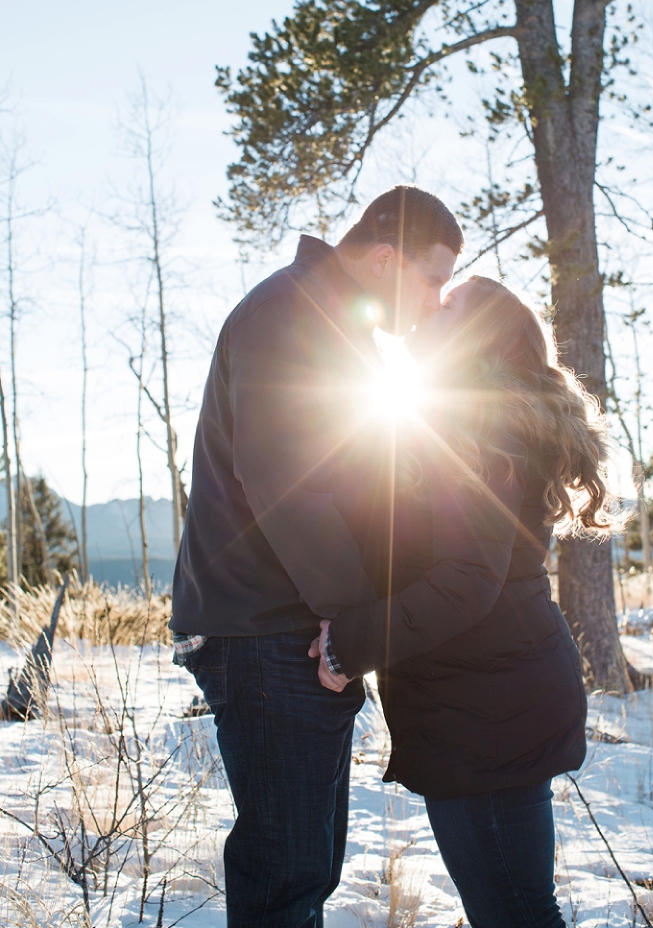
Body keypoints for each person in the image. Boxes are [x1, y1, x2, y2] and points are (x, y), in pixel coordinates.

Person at [171, 185, 462, 927]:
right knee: (287, 872)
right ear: (386, 257)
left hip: (293, 630)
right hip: (269, 633)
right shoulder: (290, 314)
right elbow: (283, 482)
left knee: (305, 866)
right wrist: (356, 618)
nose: (437, 299)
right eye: (431, 278)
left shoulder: (327, 321)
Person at [312, 276, 613, 928]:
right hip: (496, 695)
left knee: (514, 912)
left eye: (445, 308)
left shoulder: (474, 428)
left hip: (486, 709)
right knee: (517, 907)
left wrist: (349, 645)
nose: (424, 311)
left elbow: (469, 576)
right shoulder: (486, 423)